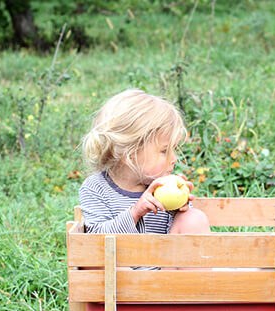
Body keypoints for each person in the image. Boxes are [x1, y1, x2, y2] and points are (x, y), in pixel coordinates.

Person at [79, 88, 210, 235]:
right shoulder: (96, 189)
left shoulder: (162, 186)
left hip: (166, 257)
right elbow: (95, 240)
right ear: (131, 153)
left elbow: (183, 229)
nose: (174, 159)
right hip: (118, 258)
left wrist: (180, 208)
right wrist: (135, 213)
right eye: (164, 151)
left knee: (193, 218)